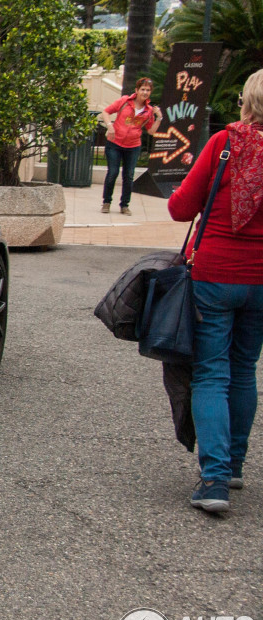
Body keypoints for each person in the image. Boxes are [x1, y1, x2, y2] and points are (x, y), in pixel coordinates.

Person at [168, 68, 263, 513]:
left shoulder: (225, 143)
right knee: (244, 370)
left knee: (211, 372)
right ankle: (236, 465)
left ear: (247, 100)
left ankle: (215, 480)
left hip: (215, 274)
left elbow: (181, 207)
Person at [99, 77, 162, 215]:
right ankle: (106, 202)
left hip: (133, 146)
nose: (145, 92)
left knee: (128, 175)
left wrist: (159, 118)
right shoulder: (124, 102)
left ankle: (124, 205)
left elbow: (151, 131)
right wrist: (110, 126)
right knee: (113, 173)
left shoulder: (149, 111)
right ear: (137, 90)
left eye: (148, 90)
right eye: (142, 89)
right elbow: (106, 112)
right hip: (115, 143)